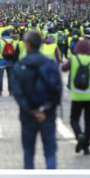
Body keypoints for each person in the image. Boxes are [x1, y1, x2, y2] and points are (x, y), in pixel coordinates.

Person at [11, 30, 63, 169]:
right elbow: (57, 90)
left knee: (29, 153)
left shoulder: (20, 66)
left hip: (27, 115)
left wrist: (31, 110)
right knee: (50, 153)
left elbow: (17, 93)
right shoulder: (50, 63)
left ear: (27, 44)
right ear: (40, 44)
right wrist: (46, 109)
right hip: (48, 114)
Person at [63, 38, 90, 155]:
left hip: (77, 96)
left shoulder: (74, 60)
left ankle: (79, 135)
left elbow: (63, 68)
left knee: (74, 119)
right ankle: (86, 146)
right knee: (89, 121)